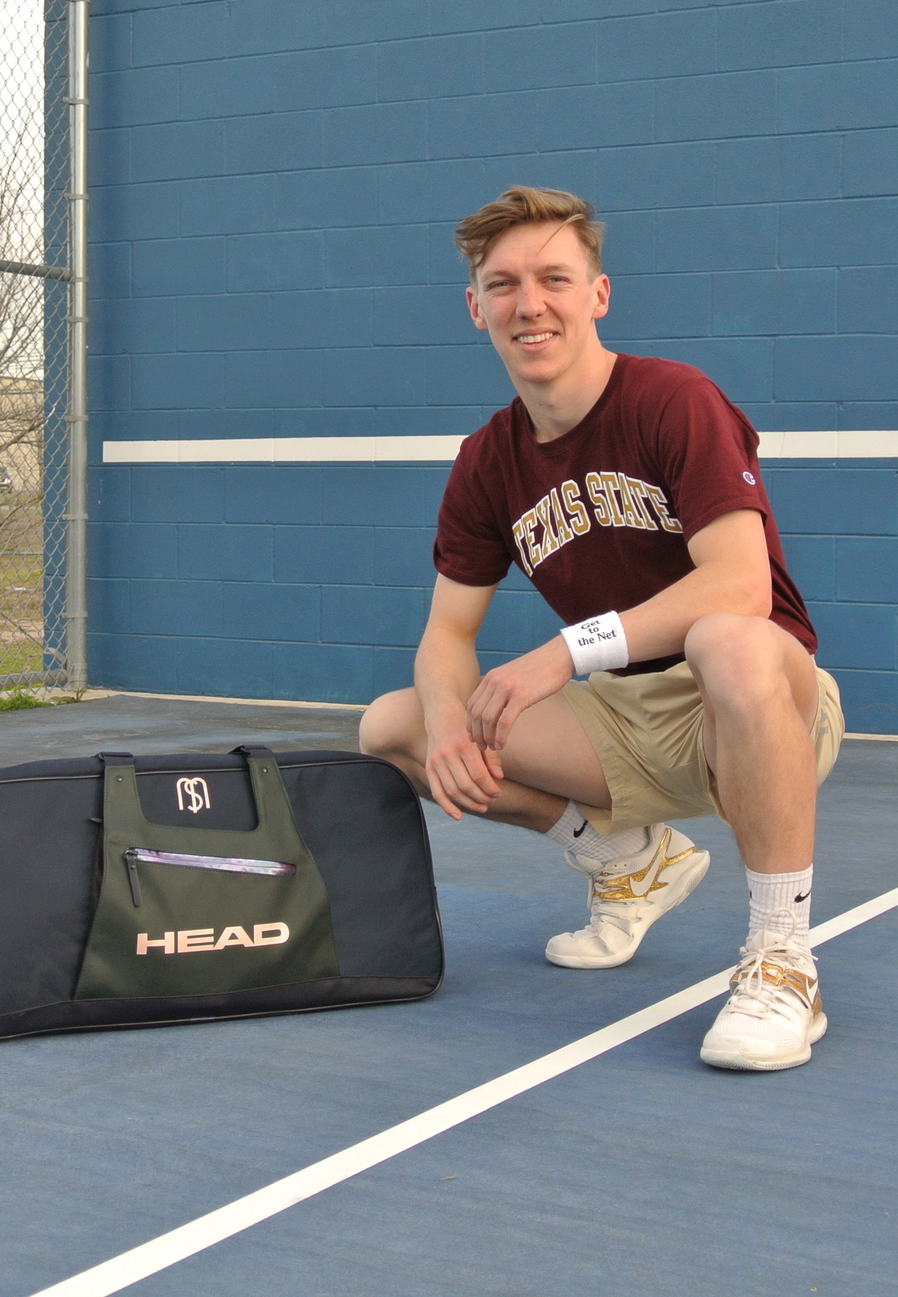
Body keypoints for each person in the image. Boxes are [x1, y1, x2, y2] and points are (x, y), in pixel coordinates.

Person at [359, 187, 845, 1072]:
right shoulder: (487, 461)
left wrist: (561, 652)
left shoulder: (673, 400)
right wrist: (446, 725)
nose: (529, 303)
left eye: (554, 277)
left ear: (598, 295)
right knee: (394, 727)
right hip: (627, 722)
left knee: (726, 640)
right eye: (503, 285)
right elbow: (446, 636)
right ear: (476, 308)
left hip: (757, 698)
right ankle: (629, 863)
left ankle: (784, 962)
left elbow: (739, 587)